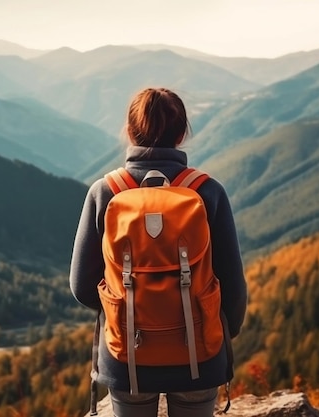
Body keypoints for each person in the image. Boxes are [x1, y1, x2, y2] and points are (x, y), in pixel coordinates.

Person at [69, 87, 247, 417]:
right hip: (199, 355)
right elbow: (233, 288)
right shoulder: (207, 191)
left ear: (130, 130)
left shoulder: (105, 192)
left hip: (127, 359)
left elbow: (81, 286)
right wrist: (212, 330)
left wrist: (127, 312)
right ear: (181, 134)